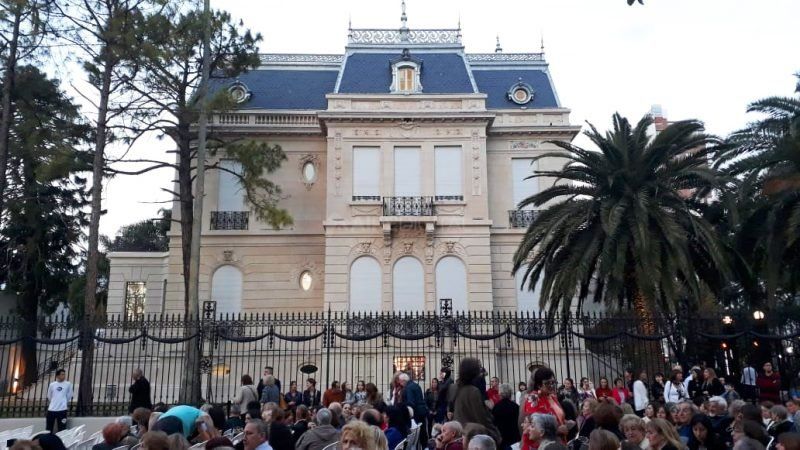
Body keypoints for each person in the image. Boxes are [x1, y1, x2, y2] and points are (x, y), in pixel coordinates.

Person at [452, 358, 501, 446]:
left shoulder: (457, 388)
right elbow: (481, 416)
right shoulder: (473, 391)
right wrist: (495, 434)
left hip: (462, 434)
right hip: (472, 437)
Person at [493, 383, 521, 450]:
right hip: (514, 436)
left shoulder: (496, 407)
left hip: (501, 436)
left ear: (500, 393)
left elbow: (494, 423)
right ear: (510, 393)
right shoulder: (515, 406)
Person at [46, 369, 72, 433]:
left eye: (64, 374)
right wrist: (54, 402)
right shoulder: (52, 384)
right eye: (62, 374)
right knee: (49, 428)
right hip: (51, 410)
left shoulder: (68, 384)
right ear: (57, 376)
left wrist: (63, 402)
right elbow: (49, 395)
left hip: (62, 410)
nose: (64, 376)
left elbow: (69, 395)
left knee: (62, 428)